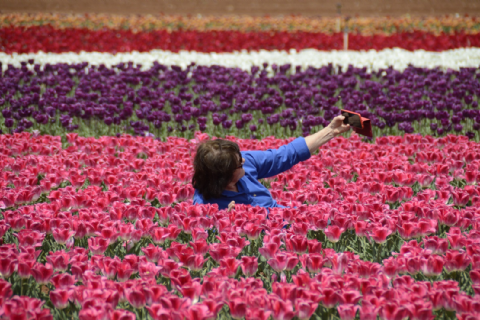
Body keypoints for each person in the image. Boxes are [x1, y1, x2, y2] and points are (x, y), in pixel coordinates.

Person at [192, 115, 351, 211]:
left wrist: (331, 130)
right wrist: (226, 222)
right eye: (238, 164)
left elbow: (288, 154)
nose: (244, 160)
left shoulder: (246, 163)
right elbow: (205, 234)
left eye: (239, 156)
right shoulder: (205, 203)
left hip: (289, 220)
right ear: (223, 176)